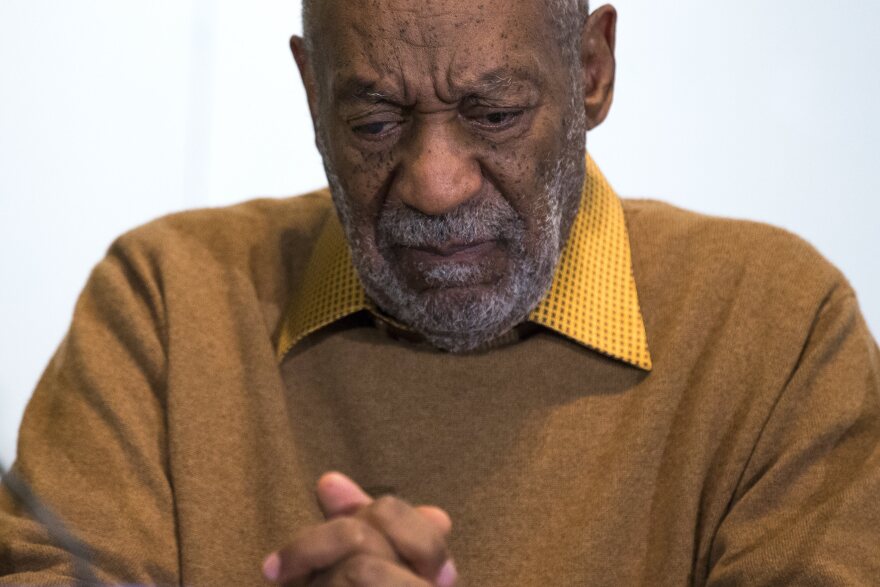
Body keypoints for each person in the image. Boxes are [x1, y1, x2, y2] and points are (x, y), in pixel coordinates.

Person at [2, 0, 879, 585]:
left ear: (593, 68)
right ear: (312, 93)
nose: (435, 182)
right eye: (374, 122)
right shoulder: (167, 305)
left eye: (493, 114)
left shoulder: (777, 331)